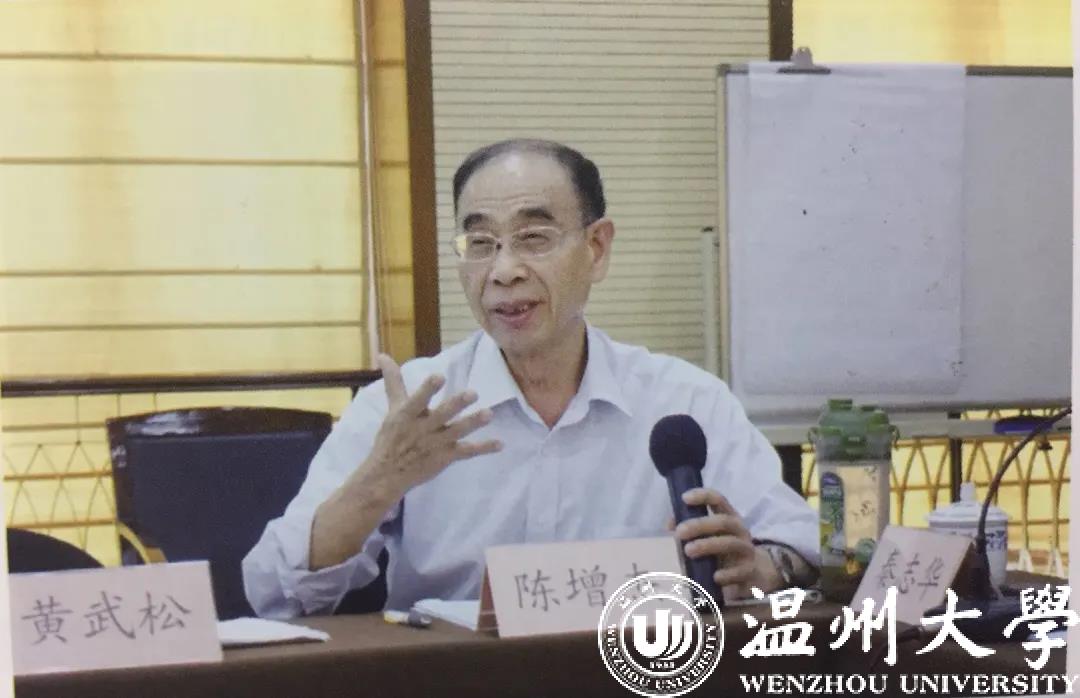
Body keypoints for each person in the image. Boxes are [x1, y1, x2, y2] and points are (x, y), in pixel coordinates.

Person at [243, 139, 819, 618]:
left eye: (533, 238)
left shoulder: (685, 401)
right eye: (480, 244)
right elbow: (273, 591)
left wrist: (763, 567)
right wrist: (378, 482)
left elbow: (802, 546)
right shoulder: (407, 409)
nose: (503, 271)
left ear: (596, 248)